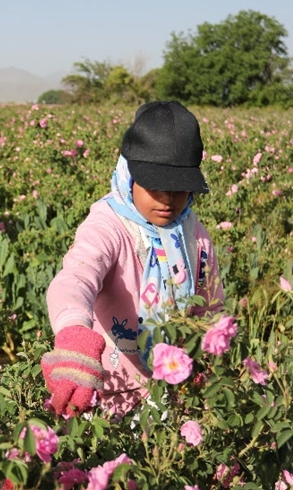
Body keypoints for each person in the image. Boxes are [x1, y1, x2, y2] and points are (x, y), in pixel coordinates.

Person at [41, 101, 225, 418]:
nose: (168, 200)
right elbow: (74, 280)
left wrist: (210, 366)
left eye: (180, 188)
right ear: (129, 175)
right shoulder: (107, 227)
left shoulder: (194, 235)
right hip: (104, 394)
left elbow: (209, 309)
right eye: (155, 185)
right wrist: (73, 335)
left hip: (170, 392)